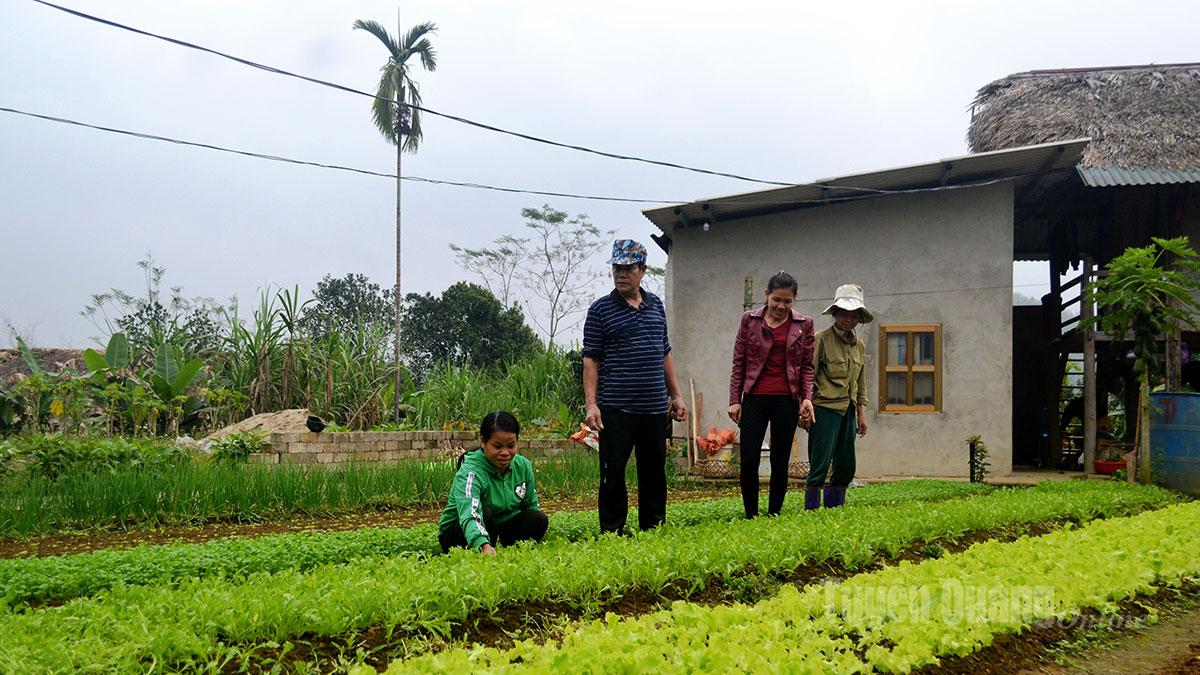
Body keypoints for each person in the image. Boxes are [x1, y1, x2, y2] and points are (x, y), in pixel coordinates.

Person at [583, 238, 688, 534]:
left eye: (628, 268)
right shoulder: (600, 310)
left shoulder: (656, 305)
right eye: (617, 268)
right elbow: (591, 359)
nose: (621, 274)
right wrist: (592, 404)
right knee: (613, 473)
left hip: (654, 407)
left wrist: (676, 396)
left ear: (642, 270)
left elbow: (664, 351)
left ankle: (653, 529)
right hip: (616, 407)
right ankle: (613, 531)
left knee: (654, 473)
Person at [728, 271, 815, 518]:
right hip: (754, 397)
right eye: (776, 299)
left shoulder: (804, 324)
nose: (781, 306)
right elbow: (739, 363)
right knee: (749, 460)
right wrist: (735, 400)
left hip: (786, 400)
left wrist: (807, 397)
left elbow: (807, 367)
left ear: (794, 300)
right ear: (766, 295)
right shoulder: (749, 320)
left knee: (779, 461)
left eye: (787, 301)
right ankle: (750, 515)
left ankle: (774, 513)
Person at [437, 411, 548, 555]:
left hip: (498, 527)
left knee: (538, 519)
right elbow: (469, 513)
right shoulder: (470, 472)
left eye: (511, 446)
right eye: (497, 446)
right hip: (458, 531)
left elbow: (530, 506)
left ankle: (503, 545)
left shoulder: (523, 466)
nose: (505, 452)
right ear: (483, 442)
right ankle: (484, 547)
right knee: (485, 512)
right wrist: (483, 545)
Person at [806, 284, 872, 510]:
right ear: (835, 314)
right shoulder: (821, 340)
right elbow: (808, 376)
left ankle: (834, 510)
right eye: (844, 314)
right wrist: (805, 407)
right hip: (824, 409)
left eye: (854, 316)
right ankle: (811, 512)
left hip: (848, 411)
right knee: (820, 464)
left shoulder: (859, 346)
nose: (848, 320)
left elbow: (860, 382)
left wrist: (861, 414)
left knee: (845, 465)